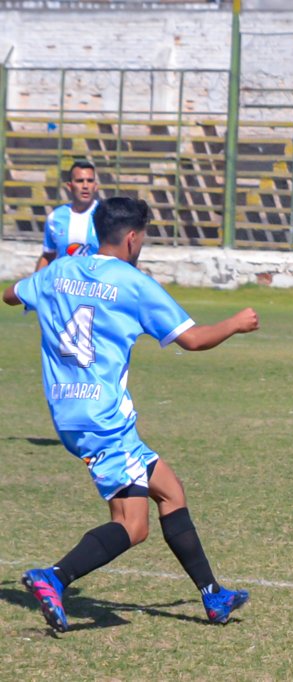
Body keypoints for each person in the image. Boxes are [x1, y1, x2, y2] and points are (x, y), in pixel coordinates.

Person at [4, 197, 260, 633]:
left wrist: (53, 280)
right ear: (132, 238)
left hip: (68, 411)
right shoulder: (133, 283)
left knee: (170, 491)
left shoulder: (59, 271)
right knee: (132, 526)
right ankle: (55, 577)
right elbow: (193, 339)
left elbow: (11, 295)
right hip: (104, 418)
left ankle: (213, 594)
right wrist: (236, 323)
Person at [37, 160, 101, 271]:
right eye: (80, 181)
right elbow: (48, 255)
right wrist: (35, 280)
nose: (85, 186)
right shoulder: (55, 218)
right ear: (69, 186)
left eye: (90, 181)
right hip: (64, 281)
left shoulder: (106, 215)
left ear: (95, 186)